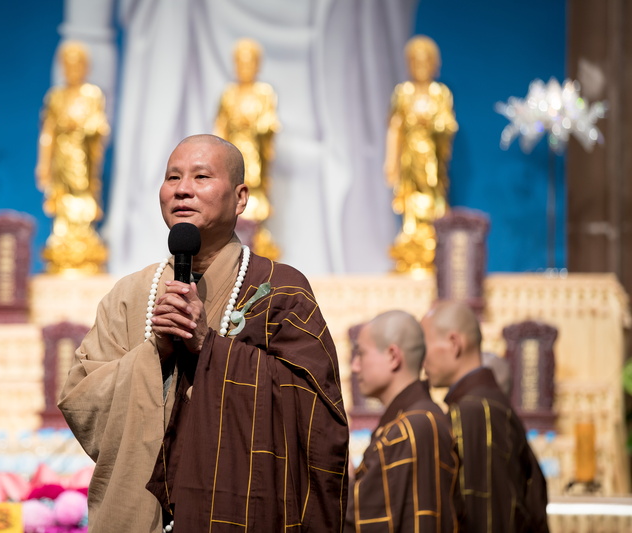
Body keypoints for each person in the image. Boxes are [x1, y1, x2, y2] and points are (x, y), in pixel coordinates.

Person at [59, 134, 349, 533]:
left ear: (240, 197)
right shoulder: (129, 295)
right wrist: (155, 352)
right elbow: (82, 399)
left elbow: (317, 415)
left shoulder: (279, 288)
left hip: (238, 514)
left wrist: (208, 347)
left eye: (201, 177)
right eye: (172, 177)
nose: (182, 190)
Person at [420, 301, 549, 533]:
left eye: (424, 346)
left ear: (453, 343)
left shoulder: (476, 413)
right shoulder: (480, 405)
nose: (421, 360)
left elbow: (487, 515)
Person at [346, 310, 459, 533]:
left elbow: (364, 522)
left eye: (361, 354)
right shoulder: (420, 419)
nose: (355, 366)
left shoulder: (411, 427)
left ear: (393, 357)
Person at [384, 35, 458, 273]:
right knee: (410, 198)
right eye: (415, 62)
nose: (421, 67)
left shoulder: (440, 93)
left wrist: (432, 124)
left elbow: (448, 125)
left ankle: (432, 236)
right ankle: (411, 236)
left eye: (426, 61)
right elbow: (394, 128)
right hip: (409, 158)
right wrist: (391, 161)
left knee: (432, 197)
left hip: (431, 159)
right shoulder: (403, 92)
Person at [36, 40, 111, 274]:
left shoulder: (92, 95)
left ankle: (83, 236)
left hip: (82, 157)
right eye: (67, 65)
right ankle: (62, 238)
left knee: (82, 195)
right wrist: (44, 163)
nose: (72, 70)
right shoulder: (56, 96)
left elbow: (100, 127)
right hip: (62, 158)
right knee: (61, 196)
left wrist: (81, 127)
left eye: (77, 65)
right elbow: (47, 133)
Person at [214, 38, 280, 259]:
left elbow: (270, 124)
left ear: (257, 65)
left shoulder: (263, 92)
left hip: (253, 154)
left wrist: (254, 124)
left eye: (249, 62)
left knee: (254, 196)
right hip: (232, 154)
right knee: (229, 193)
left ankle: (255, 239)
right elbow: (220, 128)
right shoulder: (229, 94)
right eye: (240, 63)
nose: (245, 68)